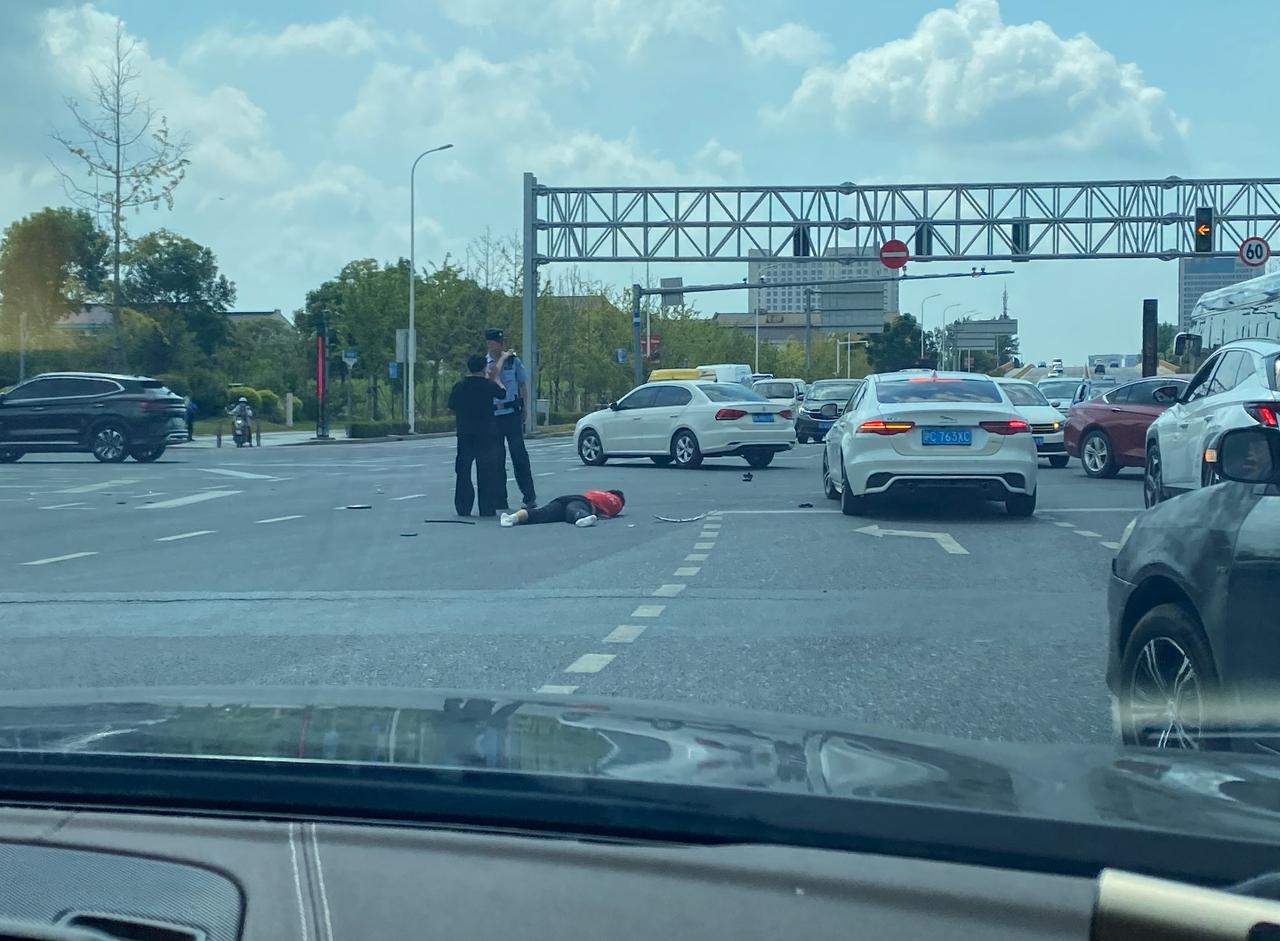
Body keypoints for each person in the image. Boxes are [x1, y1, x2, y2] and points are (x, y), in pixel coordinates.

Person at [484, 328, 537, 510]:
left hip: (511, 413)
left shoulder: (514, 362)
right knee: (497, 458)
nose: (499, 345)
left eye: (501, 341)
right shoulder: (485, 364)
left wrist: (525, 408)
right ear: (489, 343)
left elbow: (522, 384)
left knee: (519, 454)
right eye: (496, 342)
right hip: (493, 415)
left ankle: (529, 496)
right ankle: (500, 499)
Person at [447, 353, 506, 517]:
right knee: (486, 471)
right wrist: (496, 379)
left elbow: (451, 406)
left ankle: (463, 507)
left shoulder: (459, 386)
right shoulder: (488, 385)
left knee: (463, 471)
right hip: (486, 434)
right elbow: (502, 394)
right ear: (484, 368)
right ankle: (487, 508)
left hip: (465, 433)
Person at [500, 489, 624, 528]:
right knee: (573, 511)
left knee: (540, 513)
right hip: (583, 503)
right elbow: (605, 513)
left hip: (566, 498)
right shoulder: (617, 504)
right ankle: (583, 518)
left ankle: (512, 518)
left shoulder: (597, 491)